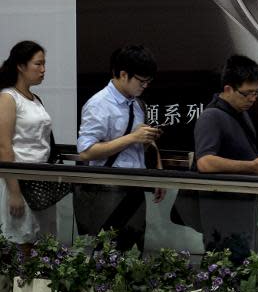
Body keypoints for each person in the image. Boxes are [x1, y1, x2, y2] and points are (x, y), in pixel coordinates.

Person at [76, 45, 164, 252]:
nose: (145, 86)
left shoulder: (137, 104)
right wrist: (132, 137)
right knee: (106, 255)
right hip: (107, 189)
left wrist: (158, 174)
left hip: (136, 186)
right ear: (123, 74)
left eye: (148, 81)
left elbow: (140, 143)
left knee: (133, 255)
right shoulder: (99, 104)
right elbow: (86, 151)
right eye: (141, 81)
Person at [194, 55, 258, 264]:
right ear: (228, 88)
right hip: (222, 215)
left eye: (257, 92)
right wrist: (251, 166)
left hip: (243, 210)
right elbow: (205, 162)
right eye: (247, 93)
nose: (253, 98)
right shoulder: (211, 117)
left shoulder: (241, 113)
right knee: (225, 271)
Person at [0, 41, 57, 247]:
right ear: (21, 66)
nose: (43, 70)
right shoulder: (8, 98)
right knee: (20, 244)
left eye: (44, 64)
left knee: (43, 243)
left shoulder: (34, 99)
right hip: (17, 181)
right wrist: (14, 192)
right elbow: (4, 147)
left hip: (39, 181)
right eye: (37, 64)